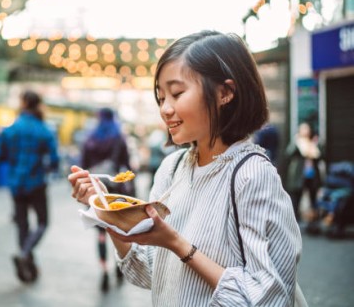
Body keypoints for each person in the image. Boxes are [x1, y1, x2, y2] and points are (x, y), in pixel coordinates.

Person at [68, 31, 302, 306]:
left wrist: (178, 244)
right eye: (161, 97)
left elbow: (269, 298)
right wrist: (107, 211)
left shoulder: (252, 176)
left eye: (177, 93)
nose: (165, 109)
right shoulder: (171, 168)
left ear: (224, 92)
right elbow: (148, 273)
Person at [0, 89, 60, 284]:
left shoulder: (11, 129)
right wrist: (44, 167)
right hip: (36, 182)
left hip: (15, 182)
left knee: (22, 224)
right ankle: (25, 255)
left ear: (23, 103)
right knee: (42, 222)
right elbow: (54, 160)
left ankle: (27, 266)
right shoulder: (44, 129)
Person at [80, 107, 134, 292]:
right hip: (114, 192)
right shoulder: (118, 137)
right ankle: (119, 267)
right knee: (115, 229)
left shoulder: (90, 138)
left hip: (95, 192)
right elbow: (126, 163)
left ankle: (103, 269)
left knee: (101, 233)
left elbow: (83, 166)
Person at [285, 122, 322, 224]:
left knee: (313, 197)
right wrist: (295, 143)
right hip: (299, 175)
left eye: (307, 129)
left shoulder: (313, 142)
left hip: (311, 175)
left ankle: (314, 219)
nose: (305, 132)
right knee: (297, 198)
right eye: (303, 129)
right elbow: (288, 154)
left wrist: (315, 146)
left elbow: (320, 156)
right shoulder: (297, 142)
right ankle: (295, 219)